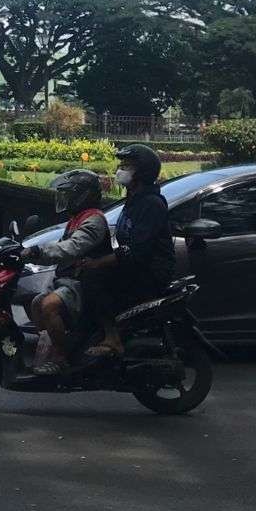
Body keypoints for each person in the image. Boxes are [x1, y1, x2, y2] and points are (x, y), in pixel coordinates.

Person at [75, 143, 176, 360]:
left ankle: (113, 338)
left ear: (143, 172)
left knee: (93, 277)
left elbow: (137, 250)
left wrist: (97, 264)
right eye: (121, 164)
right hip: (135, 265)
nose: (120, 169)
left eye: (127, 166)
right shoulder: (133, 201)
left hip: (150, 271)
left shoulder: (151, 204)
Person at [28, 169, 111, 375]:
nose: (65, 199)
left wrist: (38, 251)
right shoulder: (77, 218)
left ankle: (61, 356)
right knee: (36, 303)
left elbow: (71, 247)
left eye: (69, 194)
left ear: (83, 195)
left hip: (86, 282)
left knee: (49, 305)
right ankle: (58, 345)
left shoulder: (94, 220)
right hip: (70, 279)